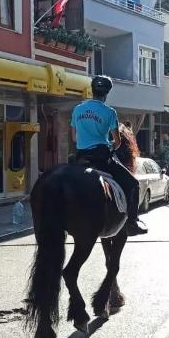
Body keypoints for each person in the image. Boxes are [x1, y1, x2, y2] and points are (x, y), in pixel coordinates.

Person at [70, 75, 147, 236]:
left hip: (80, 158)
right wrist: (107, 143)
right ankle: (132, 223)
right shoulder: (109, 112)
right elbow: (117, 142)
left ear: (92, 90)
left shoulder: (78, 109)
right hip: (101, 158)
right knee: (133, 184)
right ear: (107, 93)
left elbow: (74, 137)